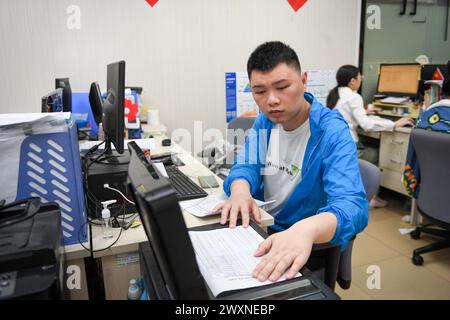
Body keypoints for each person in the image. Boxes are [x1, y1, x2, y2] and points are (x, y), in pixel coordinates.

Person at [213, 42, 368, 283]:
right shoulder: (265, 121)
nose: (271, 100)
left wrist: (308, 229)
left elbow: (353, 207)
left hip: (300, 240)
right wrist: (240, 190)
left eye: (282, 87)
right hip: (261, 228)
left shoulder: (332, 132)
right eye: (260, 91)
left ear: (303, 80)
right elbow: (246, 164)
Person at [326, 65, 414, 208]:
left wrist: (366, 115)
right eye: (360, 78)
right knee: (375, 153)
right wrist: (394, 124)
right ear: (352, 81)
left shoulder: (334, 94)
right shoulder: (354, 97)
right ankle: (372, 196)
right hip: (348, 146)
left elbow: (351, 117)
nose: (361, 81)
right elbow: (366, 125)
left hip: (334, 145)